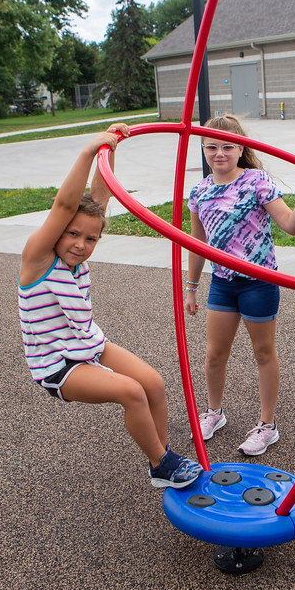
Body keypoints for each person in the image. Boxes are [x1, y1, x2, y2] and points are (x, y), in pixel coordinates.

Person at [18, 123, 202, 489]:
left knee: (153, 383)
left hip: (89, 344)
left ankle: (164, 458)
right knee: (130, 392)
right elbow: (65, 205)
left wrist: (110, 148)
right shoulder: (38, 260)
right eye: (72, 234)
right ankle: (161, 464)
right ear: (57, 231)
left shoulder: (78, 254)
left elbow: (100, 198)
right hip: (57, 364)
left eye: (91, 239)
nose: (80, 245)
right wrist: (90, 152)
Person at [184, 115, 295, 456]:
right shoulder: (200, 191)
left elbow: (291, 226)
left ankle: (267, 425)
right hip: (222, 282)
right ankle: (214, 413)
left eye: (228, 146)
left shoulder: (255, 181)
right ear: (202, 148)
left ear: (241, 148)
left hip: (259, 282)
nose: (220, 153)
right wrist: (191, 286)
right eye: (212, 147)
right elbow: (197, 242)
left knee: (263, 352)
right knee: (214, 353)